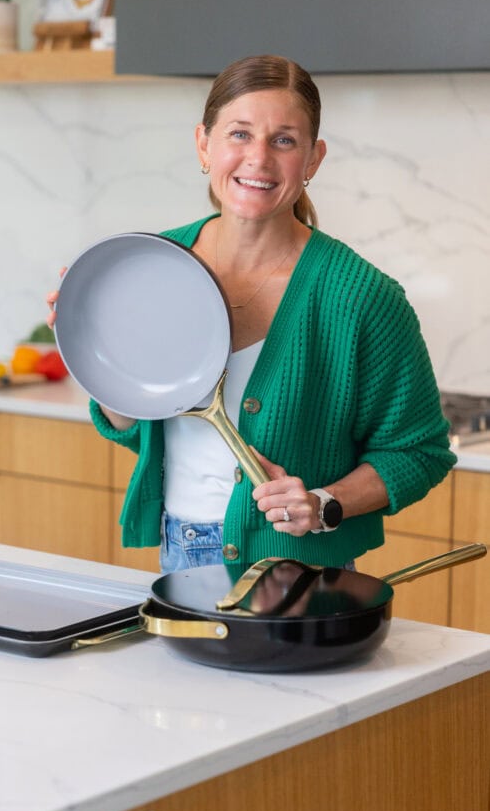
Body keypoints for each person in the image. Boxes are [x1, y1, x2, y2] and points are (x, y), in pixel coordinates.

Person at [47, 54, 455, 573]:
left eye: (283, 140)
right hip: (179, 549)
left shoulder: (361, 296)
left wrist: (325, 503)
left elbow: (418, 452)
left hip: (299, 567)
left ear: (313, 159)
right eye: (239, 134)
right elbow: (131, 418)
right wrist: (94, 352)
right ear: (203, 144)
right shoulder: (147, 265)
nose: (258, 159)